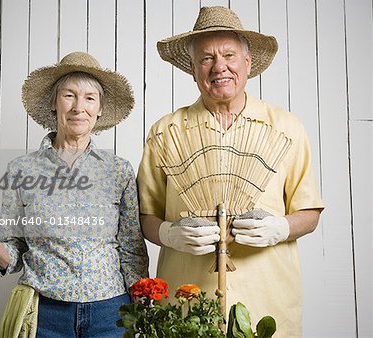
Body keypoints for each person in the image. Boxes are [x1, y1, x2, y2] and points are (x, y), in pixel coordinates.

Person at [137, 6, 324, 337]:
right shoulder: (167, 132)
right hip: (188, 305)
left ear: (248, 62)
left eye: (229, 55)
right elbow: (145, 216)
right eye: (206, 58)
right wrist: (169, 234)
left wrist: (281, 228)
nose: (218, 66)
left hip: (267, 301)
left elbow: (308, 211)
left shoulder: (285, 128)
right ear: (193, 69)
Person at [0, 51, 149, 337]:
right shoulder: (22, 169)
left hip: (110, 312)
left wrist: (142, 308)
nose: (79, 107)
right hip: (44, 314)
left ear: (99, 108)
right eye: (69, 95)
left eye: (89, 98)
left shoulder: (119, 171)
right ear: (54, 103)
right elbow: (14, 254)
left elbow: (132, 250)